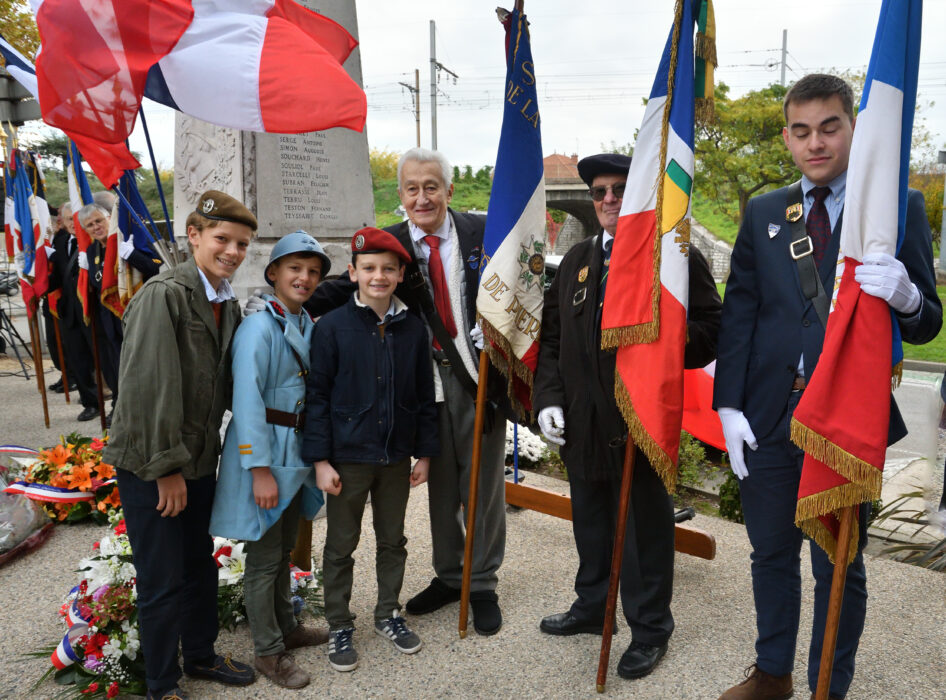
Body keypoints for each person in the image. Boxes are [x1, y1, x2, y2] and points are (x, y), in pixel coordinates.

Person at [713, 74, 942, 700]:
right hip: (766, 417)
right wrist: (728, 404)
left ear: (853, 129)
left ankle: (826, 687)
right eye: (802, 130)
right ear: (787, 138)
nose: (816, 143)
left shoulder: (896, 209)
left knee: (837, 562)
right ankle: (772, 673)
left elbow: (927, 325)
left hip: (843, 423)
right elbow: (741, 313)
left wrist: (907, 294)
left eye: (830, 127)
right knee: (769, 554)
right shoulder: (765, 211)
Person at [303, 148, 510, 635]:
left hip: (477, 374)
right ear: (400, 196)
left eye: (431, 186)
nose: (422, 197)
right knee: (439, 488)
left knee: (481, 484)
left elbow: (521, 281)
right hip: (422, 382)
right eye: (412, 189)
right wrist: (290, 298)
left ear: (449, 190)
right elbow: (343, 285)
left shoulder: (483, 232)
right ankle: (450, 573)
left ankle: (481, 581)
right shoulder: (389, 244)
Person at [533, 152, 721, 680]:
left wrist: (668, 343)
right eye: (600, 193)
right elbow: (552, 338)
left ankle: (650, 627)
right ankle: (593, 607)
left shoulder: (672, 258)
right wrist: (547, 399)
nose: (610, 200)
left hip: (638, 418)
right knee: (591, 522)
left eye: (620, 190)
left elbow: (711, 328)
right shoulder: (577, 258)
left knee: (644, 530)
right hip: (582, 417)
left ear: (639, 195)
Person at [104, 190, 258, 700]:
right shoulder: (164, 295)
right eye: (221, 239)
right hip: (154, 462)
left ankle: (200, 656)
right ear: (193, 237)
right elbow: (148, 390)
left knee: (197, 564)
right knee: (162, 577)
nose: (232, 251)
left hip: (194, 459)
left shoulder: (223, 301)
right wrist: (166, 469)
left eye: (241, 243)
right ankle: (161, 685)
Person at [301, 227, 439, 672]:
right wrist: (320, 460)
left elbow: (423, 394)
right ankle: (339, 622)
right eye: (369, 268)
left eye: (387, 269)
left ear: (400, 274)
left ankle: (388, 612)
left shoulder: (414, 329)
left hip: (396, 456)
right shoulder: (334, 327)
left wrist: (426, 453)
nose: (378, 276)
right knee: (341, 544)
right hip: (348, 458)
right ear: (353, 273)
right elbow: (317, 396)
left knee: (392, 539)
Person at [210, 231, 331, 690]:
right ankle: (267, 651)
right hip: (267, 452)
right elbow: (246, 401)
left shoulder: (302, 322)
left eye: (313, 272)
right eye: (295, 268)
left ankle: (285, 626)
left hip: (294, 449)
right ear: (273, 273)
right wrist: (257, 469)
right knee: (263, 558)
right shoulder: (260, 327)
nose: (305, 278)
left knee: (281, 551)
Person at [79, 202, 161, 425]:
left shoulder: (127, 240)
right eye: (90, 225)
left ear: (109, 218)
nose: (96, 227)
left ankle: (147, 407)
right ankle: (121, 404)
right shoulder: (91, 251)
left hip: (138, 313)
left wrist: (132, 255)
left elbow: (156, 267)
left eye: (99, 220)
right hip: (110, 317)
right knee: (116, 363)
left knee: (142, 361)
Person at [45, 201, 100, 421]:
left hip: (90, 309)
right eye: (69, 220)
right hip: (68, 311)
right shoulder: (60, 241)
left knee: (102, 358)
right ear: (64, 222)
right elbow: (56, 277)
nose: (73, 225)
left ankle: (115, 399)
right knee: (77, 359)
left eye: (76, 220)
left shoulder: (92, 242)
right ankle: (91, 402)